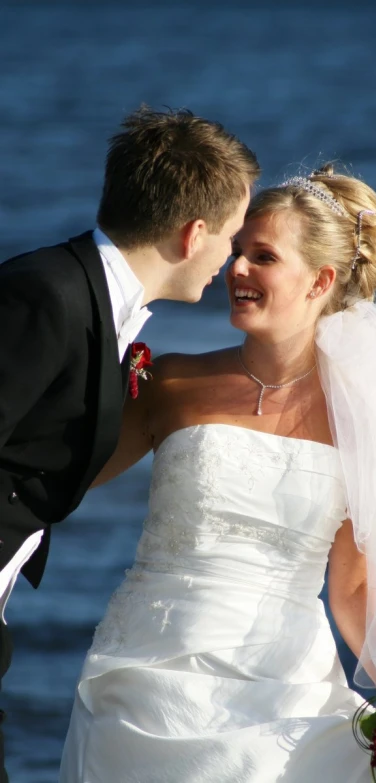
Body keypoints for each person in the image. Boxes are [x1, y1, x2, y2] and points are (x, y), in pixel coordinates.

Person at [60, 166, 376, 782]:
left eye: (264, 257)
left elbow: (353, 589)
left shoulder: (364, 417)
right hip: (142, 681)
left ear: (320, 281)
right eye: (237, 252)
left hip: (286, 703)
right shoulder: (171, 382)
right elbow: (65, 479)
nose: (237, 271)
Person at [0, 106, 259, 781]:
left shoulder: (102, 307)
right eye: (232, 237)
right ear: (193, 232)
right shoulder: (45, 295)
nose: (230, 259)